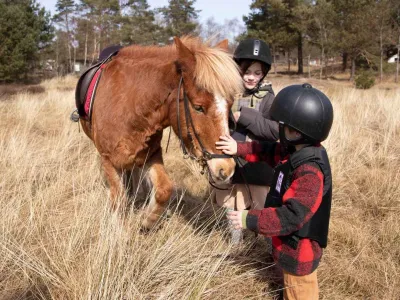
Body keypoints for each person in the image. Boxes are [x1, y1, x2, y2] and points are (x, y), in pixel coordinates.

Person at [216, 83, 334, 300]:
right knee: (288, 286)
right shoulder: (295, 151)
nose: (280, 129)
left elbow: (290, 217)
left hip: (299, 255)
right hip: (287, 247)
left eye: (284, 126)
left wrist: (248, 219)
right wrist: (238, 148)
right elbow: (268, 150)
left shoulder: (310, 172)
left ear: (298, 131)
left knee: (298, 291)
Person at [214, 38, 279, 243]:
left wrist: (245, 116)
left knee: (261, 205)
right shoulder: (227, 93)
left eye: (257, 73)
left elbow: (275, 131)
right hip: (231, 161)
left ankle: (267, 245)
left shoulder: (269, 98)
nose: (251, 78)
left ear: (264, 74)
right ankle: (235, 242)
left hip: (257, 162)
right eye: (247, 72)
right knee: (233, 203)